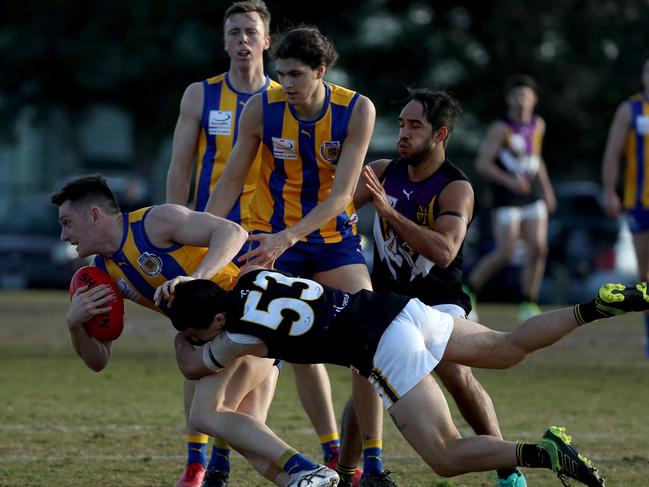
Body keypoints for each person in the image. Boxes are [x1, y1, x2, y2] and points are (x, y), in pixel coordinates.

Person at [168, 267, 649, 487]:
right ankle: (593, 308)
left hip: (382, 345)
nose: (197, 340)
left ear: (212, 323)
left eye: (195, 331)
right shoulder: (253, 276)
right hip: (399, 307)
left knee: (444, 456)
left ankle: (542, 452)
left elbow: (193, 365)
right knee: (507, 347)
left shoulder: (235, 336)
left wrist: (186, 340)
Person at [205, 25, 385, 486]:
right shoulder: (260, 109)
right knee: (247, 348)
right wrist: (202, 232)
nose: (284, 82)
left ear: (321, 72)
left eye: (295, 74)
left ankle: (373, 463)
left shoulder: (356, 109)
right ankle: (221, 454)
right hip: (268, 238)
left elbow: (342, 195)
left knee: (372, 340)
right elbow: (230, 180)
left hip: (330, 243)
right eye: (281, 73)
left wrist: (290, 237)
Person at [51, 174, 287, 487]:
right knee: (246, 433)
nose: (64, 235)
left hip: (247, 321)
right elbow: (99, 361)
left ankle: (303, 467)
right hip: (219, 341)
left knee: (210, 417)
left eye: (67, 223)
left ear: (95, 215)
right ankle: (306, 474)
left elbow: (233, 232)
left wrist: (197, 278)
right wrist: (75, 324)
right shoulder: (101, 274)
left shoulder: (154, 222)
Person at [353, 87, 525, 487]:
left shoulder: (456, 187)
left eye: (415, 126)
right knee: (365, 371)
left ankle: (507, 467)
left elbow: (445, 251)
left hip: (440, 303)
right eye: (401, 124)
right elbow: (333, 211)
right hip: (389, 303)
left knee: (455, 373)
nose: (404, 133)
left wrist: (389, 214)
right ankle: (353, 470)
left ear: (440, 134)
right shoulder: (381, 171)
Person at [164, 2, 285, 484]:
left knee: (253, 343)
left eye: (250, 31)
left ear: (267, 39)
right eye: (233, 31)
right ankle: (197, 459)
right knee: (195, 338)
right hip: (209, 237)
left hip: (262, 241)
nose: (242, 39)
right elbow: (179, 166)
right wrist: (175, 229)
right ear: (224, 40)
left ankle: (225, 450)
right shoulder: (200, 95)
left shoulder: (285, 97)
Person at [467, 74, 557, 323]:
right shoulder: (500, 128)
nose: (521, 100)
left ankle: (529, 303)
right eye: (517, 95)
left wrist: (547, 191)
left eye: (526, 96)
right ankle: (469, 290)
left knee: (538, 249)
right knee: (506, 253)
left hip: (533, 196)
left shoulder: (538, 125)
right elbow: (483, 163)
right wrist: (510, 182)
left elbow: (537, 160)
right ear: (508, 99)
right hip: (506, 198)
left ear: (534, 100)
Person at [602, 55, 649, 356]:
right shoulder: (630, 109)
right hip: (639, 203)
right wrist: (610, 190)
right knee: (645, 276)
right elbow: (613, 153)